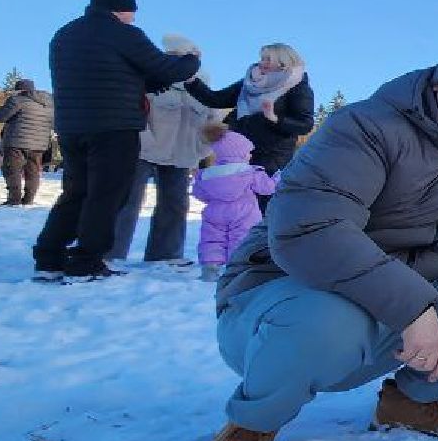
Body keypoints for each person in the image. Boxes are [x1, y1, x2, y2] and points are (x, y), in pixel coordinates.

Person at [182, 41, 438, 441]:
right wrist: (413, 308)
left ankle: (410, 403)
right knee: (327, 320)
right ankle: (249, 428)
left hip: (387, 307)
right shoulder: (368, 127)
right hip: (281, 301)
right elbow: (310, 228)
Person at [34, 0, 203, 282]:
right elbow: (165, 68)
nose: (133, 21)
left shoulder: (65, 35)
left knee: (76, 192)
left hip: (72, 127)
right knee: (107, 194)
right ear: (120, 9)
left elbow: (108, 75)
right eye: (131, 15)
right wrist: (191, 61)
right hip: (114, 127)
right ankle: (88, 259)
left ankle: (49, 256)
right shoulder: (122, 34)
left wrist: (144, 84)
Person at [109, 36, 215, 263]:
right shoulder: (150, 81)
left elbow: (211, 124)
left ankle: (166, 255)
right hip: (143, 152)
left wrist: (200, 151)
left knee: (175, 205)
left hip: (180, 156)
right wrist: (141, 141)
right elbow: (135, 112)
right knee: (127, 202)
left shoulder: (202, 89)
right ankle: (112, 252)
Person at [186, 43, 315, 194]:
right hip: (239, 152)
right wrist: (192, 82)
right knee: (235, 201)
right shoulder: (250, 82)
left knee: (262, 203)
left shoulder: (298, 86)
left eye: (268, 59)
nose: (262, 62)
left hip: (272, 156)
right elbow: (217, 99)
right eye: (262, 58)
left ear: (283, 62)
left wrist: (275, 119)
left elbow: (305, 124)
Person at [191, 131, 278, 280]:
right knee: (241, 238)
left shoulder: (207, 174)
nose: (250, 156)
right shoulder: (249, 172)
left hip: (214, 213)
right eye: (248, 152)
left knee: (212, 239)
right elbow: (267, 188)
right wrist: (278, 178)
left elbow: (200, 194)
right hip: (243, 213)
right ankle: (238, 267)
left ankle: (210, 268)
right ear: (239, 154)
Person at [0, 77, 55, 207]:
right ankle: (28, 199)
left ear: (20, 90)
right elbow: (53, 124)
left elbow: (1, 116)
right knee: (32, 171)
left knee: (12, 169)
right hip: (39, 144)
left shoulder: (17, 100)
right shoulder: (48, 104)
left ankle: (14, 199)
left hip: (16, 142)